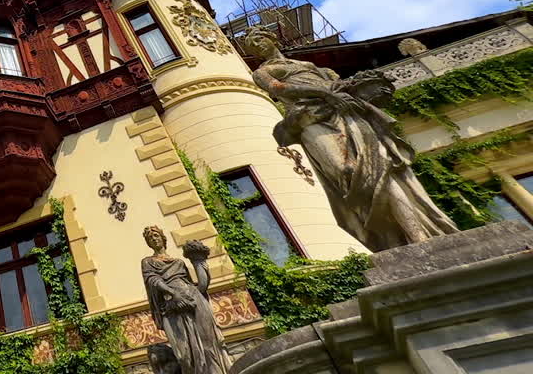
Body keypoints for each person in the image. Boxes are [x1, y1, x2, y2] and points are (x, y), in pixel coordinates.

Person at [241, 25, 457, 251]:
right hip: (309, 119)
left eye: (259, 40)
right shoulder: (262, 71)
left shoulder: (308, 65)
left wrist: (348, 87)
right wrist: (324, 93)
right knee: (346, 170)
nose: (257, 47)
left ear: (271, 38)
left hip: (342, 111)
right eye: (252, 47)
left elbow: (334, 83)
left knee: (380, 165)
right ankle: (383, 232)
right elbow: (278, 89)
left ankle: (416, 235)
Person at [141, 225, 230, 374]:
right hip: (171, 305)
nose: (154, 239)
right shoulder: (148, 262)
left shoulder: (179, 262)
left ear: (163, 238)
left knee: (209, 344)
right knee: (184, 356)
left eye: (156, 236)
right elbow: (152, 280)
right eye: (150, 238)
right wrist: (174, 294)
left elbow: (198, 286)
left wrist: (200, 264)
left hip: (193, 300)